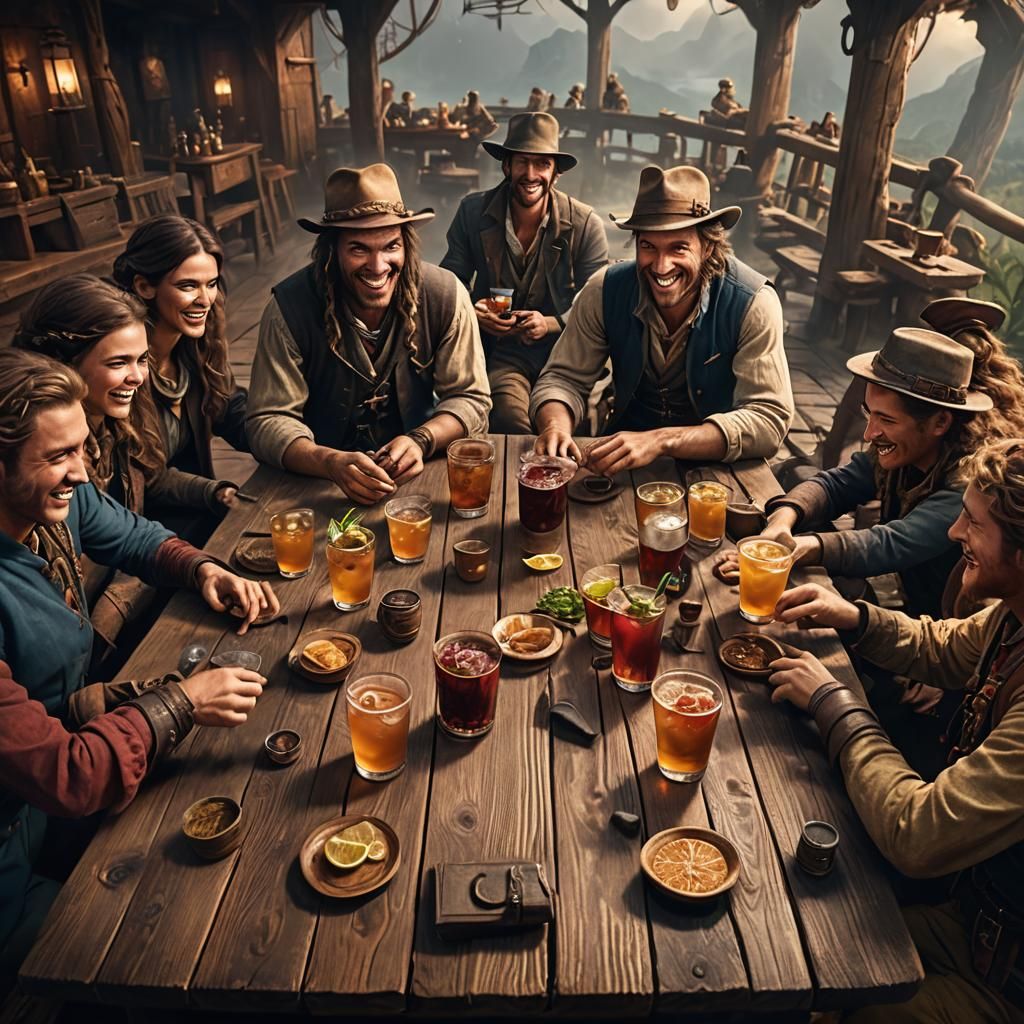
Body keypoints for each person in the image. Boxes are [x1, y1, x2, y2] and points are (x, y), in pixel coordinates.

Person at [0, 348, 276, 980]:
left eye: (82, 450)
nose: (79, 472)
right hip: (13, 876)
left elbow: (131, 533)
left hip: (51, 807)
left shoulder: (48, 506)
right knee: (186, 938)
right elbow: (68, 775)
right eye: (58, 457)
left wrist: (204, 567)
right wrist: (182, 702)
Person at [768, 436, 1024, 1024]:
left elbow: (917, 833)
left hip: (1009, 976)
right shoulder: (1014, 616)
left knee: (861, 1006)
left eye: (975, 524)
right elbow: (949, 646)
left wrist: (838, 707)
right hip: (974, 921)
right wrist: (855, 617)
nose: (956, 533)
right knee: (799, 937)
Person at [719, 321, 1024, 621]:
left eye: (887, 421)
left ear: (940, 423)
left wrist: (796, 549)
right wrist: (783, 520)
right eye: (869, 413)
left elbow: (890, 544)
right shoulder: (904, 450)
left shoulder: (969, 483)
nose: (869, 433)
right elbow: (837, 484)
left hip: (940, 636)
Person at [246, 163, 490, 505]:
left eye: (391, 247)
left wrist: (421, 440)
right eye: (359, 249)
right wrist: (329, 461)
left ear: (406, 245)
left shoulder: (446, 295)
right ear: (331, 252)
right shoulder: (289, 307)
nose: (378, 267)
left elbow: (472, 399)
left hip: (420, 472)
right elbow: (267, 419)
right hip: (314, 481)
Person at [531, 164, 793, 474]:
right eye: (648, 247)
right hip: (622, 464)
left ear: (708, 247)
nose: (661, 266)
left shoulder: (754, 303)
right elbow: (563, 378)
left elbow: (768, 418)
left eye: (678, 248)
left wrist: (661, 441)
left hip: (719, 468)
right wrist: (555, 426)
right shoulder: (605, 289)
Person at [441, 111, 608, 433]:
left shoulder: (586, 223)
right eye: (522, 162)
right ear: (506, 166)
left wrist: (550, 323)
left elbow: (600, 299)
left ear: (556, 172)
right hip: (501, 353)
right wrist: (473, 312)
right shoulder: (472, 212)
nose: (530, 174)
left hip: (569, 355)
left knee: (572, 428)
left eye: (542, 164)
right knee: (509, 420)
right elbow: (451, 282)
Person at [112, 215, 249, 541]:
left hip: (201, 516)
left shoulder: (198, 347)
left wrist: (297, 442)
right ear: (144, 286)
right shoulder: (121, 370)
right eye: (188, 286)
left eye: (212, 283)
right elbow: (145, 478)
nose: (205, 299)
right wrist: (215, 492)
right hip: (145, 536)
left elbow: (233, 410)